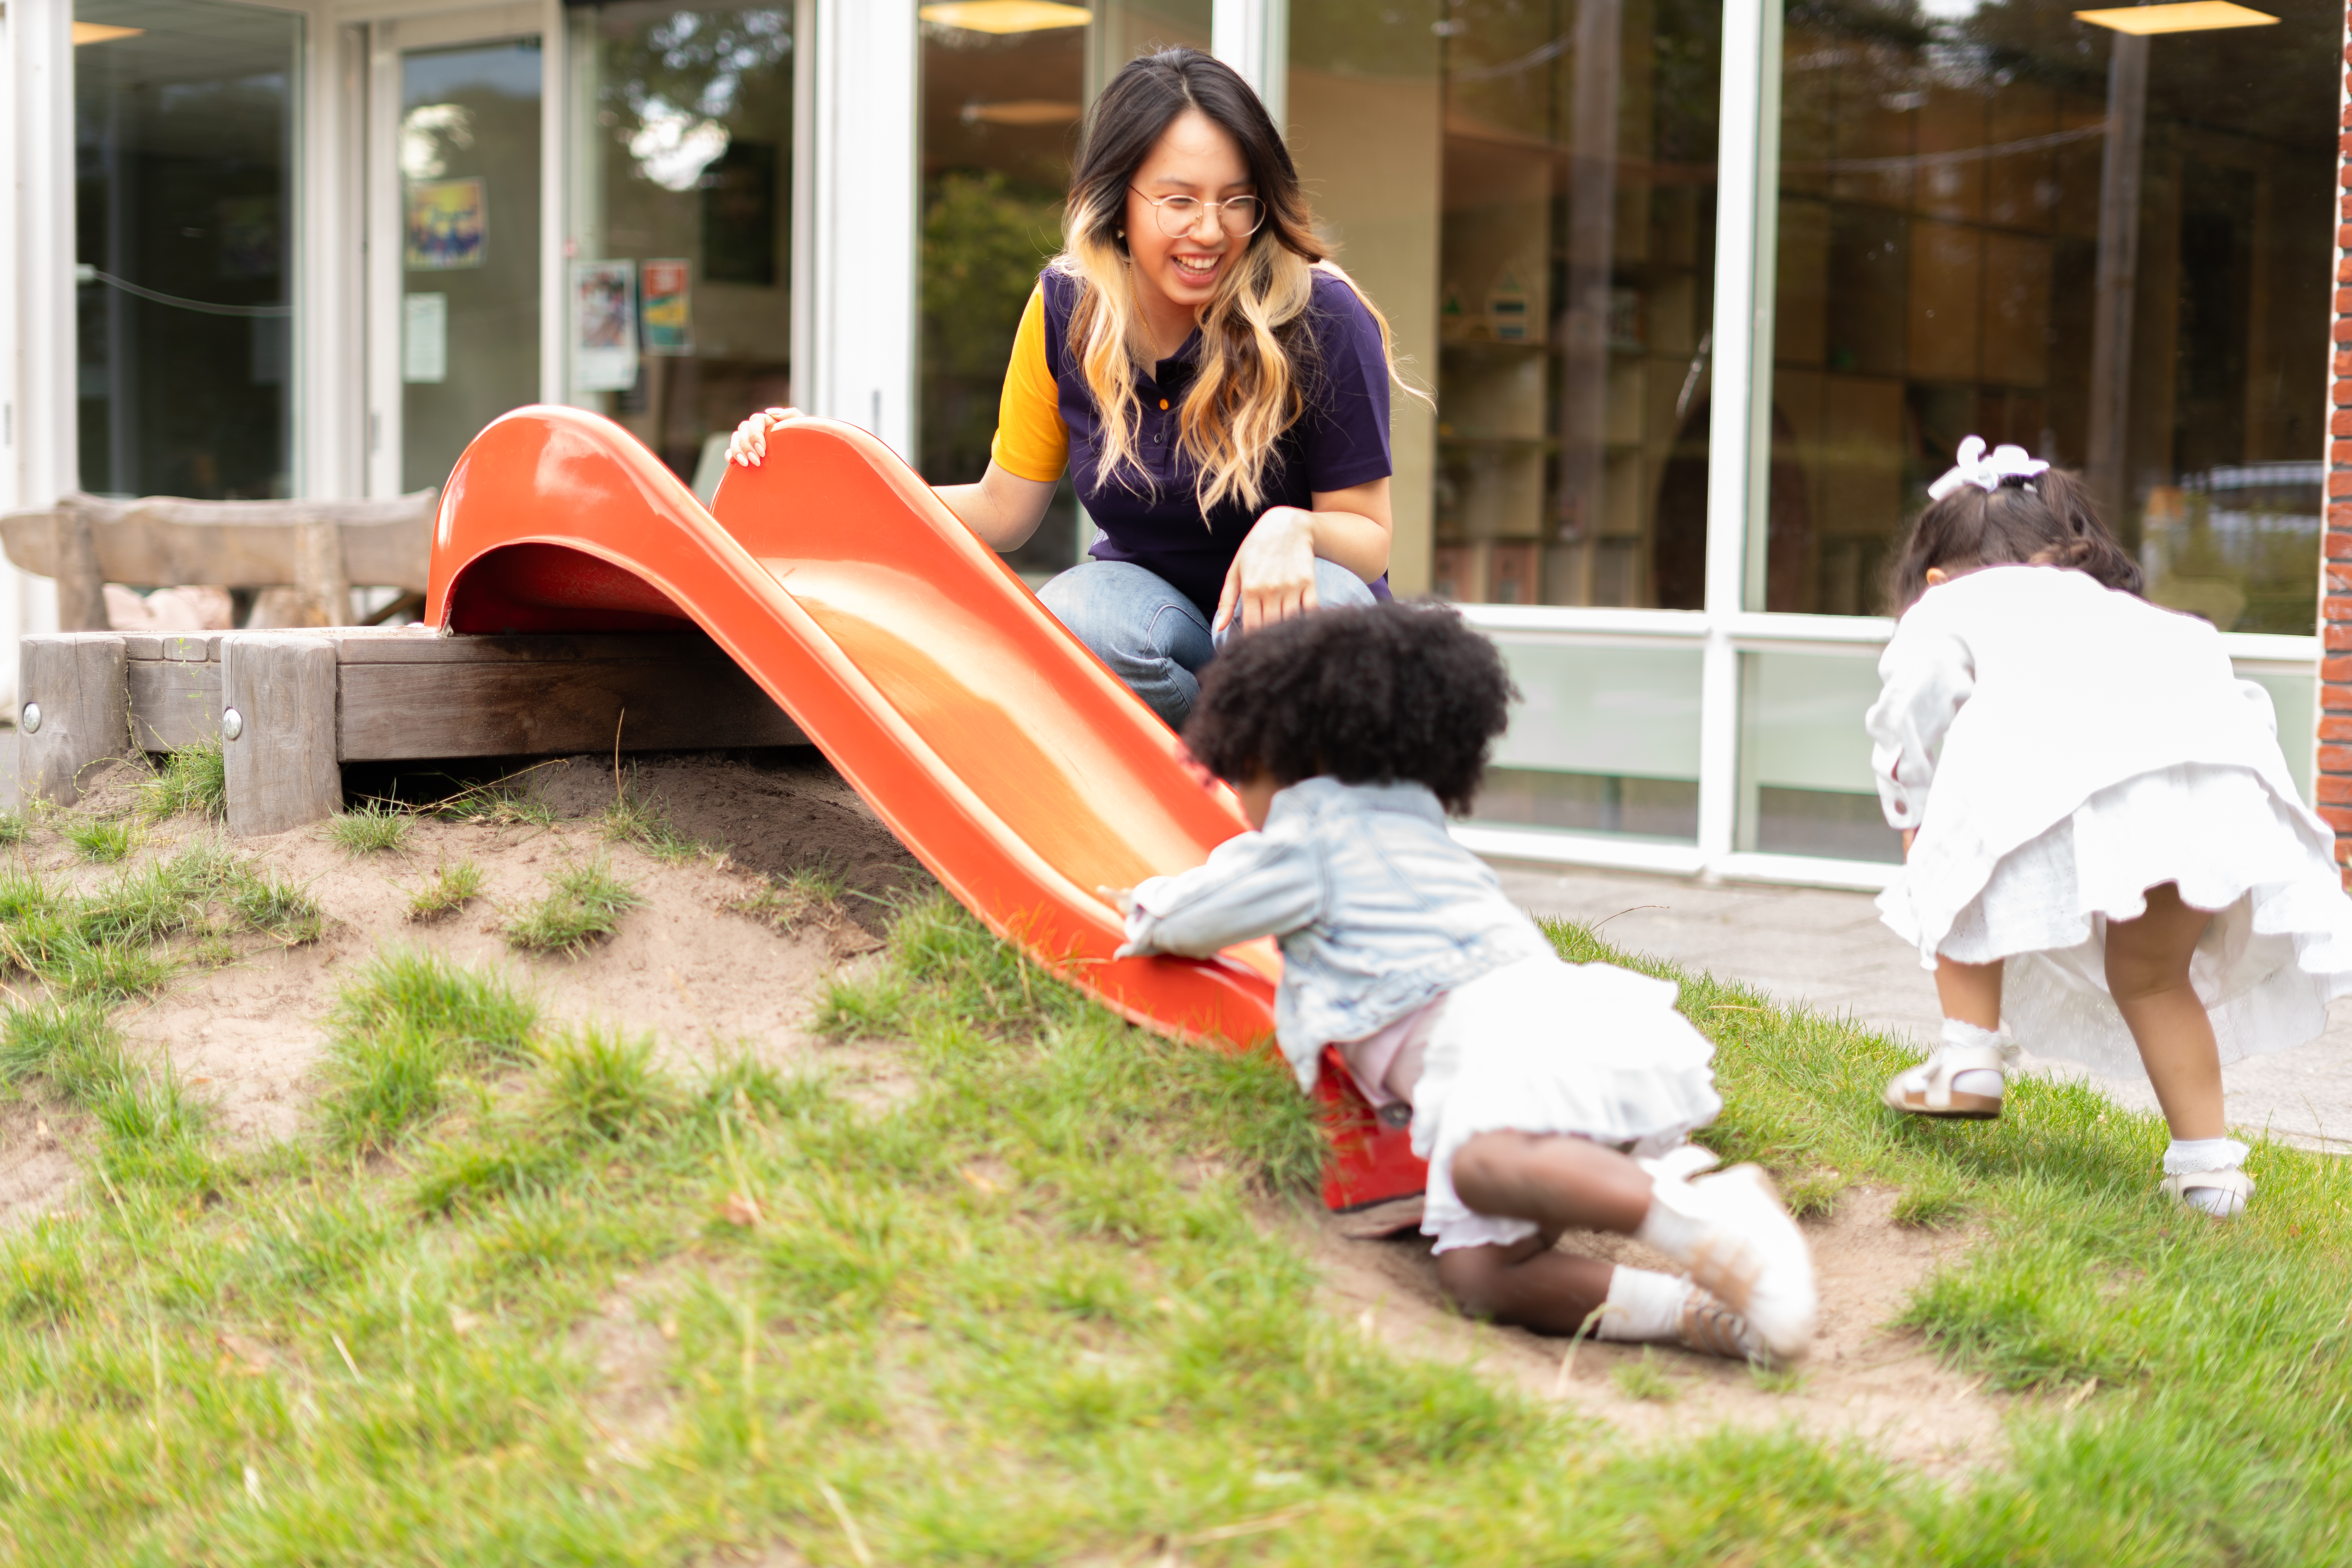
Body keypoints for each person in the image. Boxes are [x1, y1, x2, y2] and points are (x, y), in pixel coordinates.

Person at [1109, 603, 1819, 1362]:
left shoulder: (1311, 836)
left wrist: (1141, 905)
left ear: (1293, 757)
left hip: (1492, 1039)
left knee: (1485, 1166)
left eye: (1239, 769)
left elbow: (1202, 911)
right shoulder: (1413, 826)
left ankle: (1705, 1213)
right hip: (1542, 1032)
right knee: (1480, 1276)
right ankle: (1700, 1313)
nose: (1238, 797)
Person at [728, 47, 1408, 728]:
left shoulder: (1319, 315)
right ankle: (1200, 782)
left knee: (1303, 615)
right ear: (1117, 202)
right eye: (1178, 200)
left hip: (1295, 617)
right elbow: (1003, 510)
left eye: (1237, 201)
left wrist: (1293, 529)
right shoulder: (1066, 310)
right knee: (1076, 612)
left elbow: (1369, 535)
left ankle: (1281, 790)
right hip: (1156, 624)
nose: (1210, 230)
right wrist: (820, 479)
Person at [1867, 437, 2352, 1217]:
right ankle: (2208, 1171)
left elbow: (1911, 705)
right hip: (2213, 793)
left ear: (1934, 579)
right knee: (2155, 976)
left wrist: (1913, 805)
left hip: (2080, 769)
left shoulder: (1953, 602)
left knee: (1953, 858)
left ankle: (1967, 1057)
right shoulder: (2142, 617)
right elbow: (2232, 710)